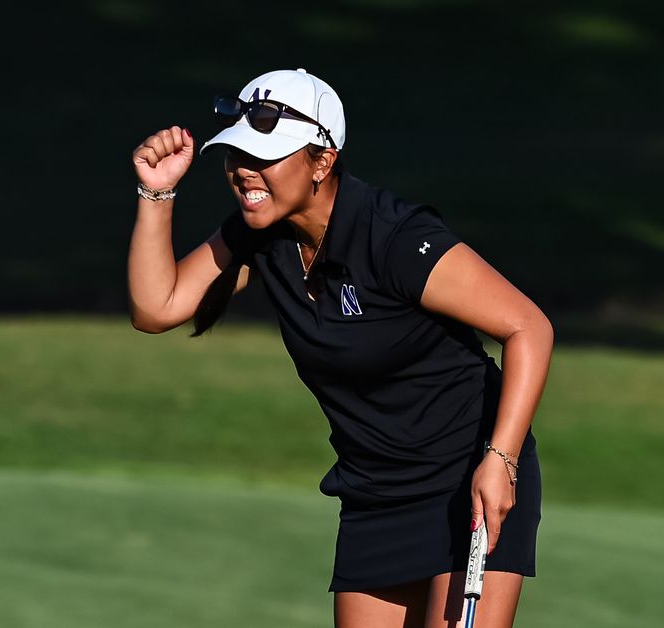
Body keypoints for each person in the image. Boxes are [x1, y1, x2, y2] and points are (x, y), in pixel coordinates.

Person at [127, 68, 552, 628]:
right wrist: (156, 193)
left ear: (322, 162)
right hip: (375, 493)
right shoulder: (263, 234)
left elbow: (528, 327)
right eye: (237, 154)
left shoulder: (394, 237)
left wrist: (501, 460)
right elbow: (157, 308)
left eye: (264, 156)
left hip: (467, 478)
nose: (244, 169)